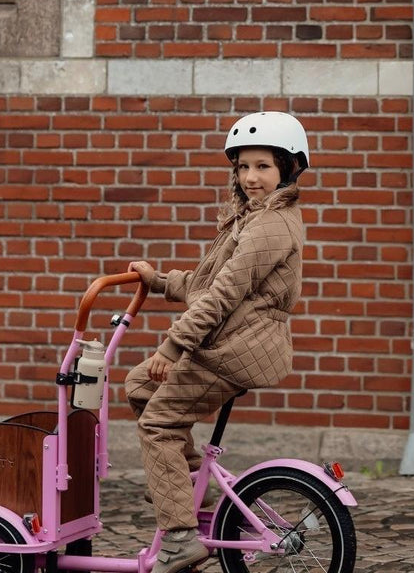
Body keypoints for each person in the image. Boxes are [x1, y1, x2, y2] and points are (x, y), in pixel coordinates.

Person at [124, 111, 309, 573]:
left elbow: (223, 296)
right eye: (243, 166)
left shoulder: (269, 226)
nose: (251, 177)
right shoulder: (252, 218)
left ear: (287, 168)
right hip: (235, 342)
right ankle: (190, 491)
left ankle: (182, 537)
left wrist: (173, 346)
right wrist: (160, 281)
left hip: (235, 349)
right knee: (139, 386)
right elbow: (211, 283)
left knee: (158, 426)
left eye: (263, 166)